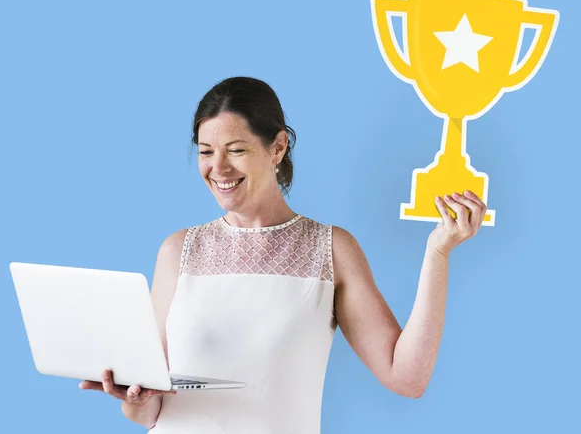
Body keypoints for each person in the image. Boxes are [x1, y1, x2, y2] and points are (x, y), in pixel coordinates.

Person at [79, 76, 487, 432]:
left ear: (277, 147)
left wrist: (439, 253)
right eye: (205, 151)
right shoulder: (177, 251)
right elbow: (152, 410)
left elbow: (407, 377)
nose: (217, 168)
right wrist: (134, 399)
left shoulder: (330, 249)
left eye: (235, 149)